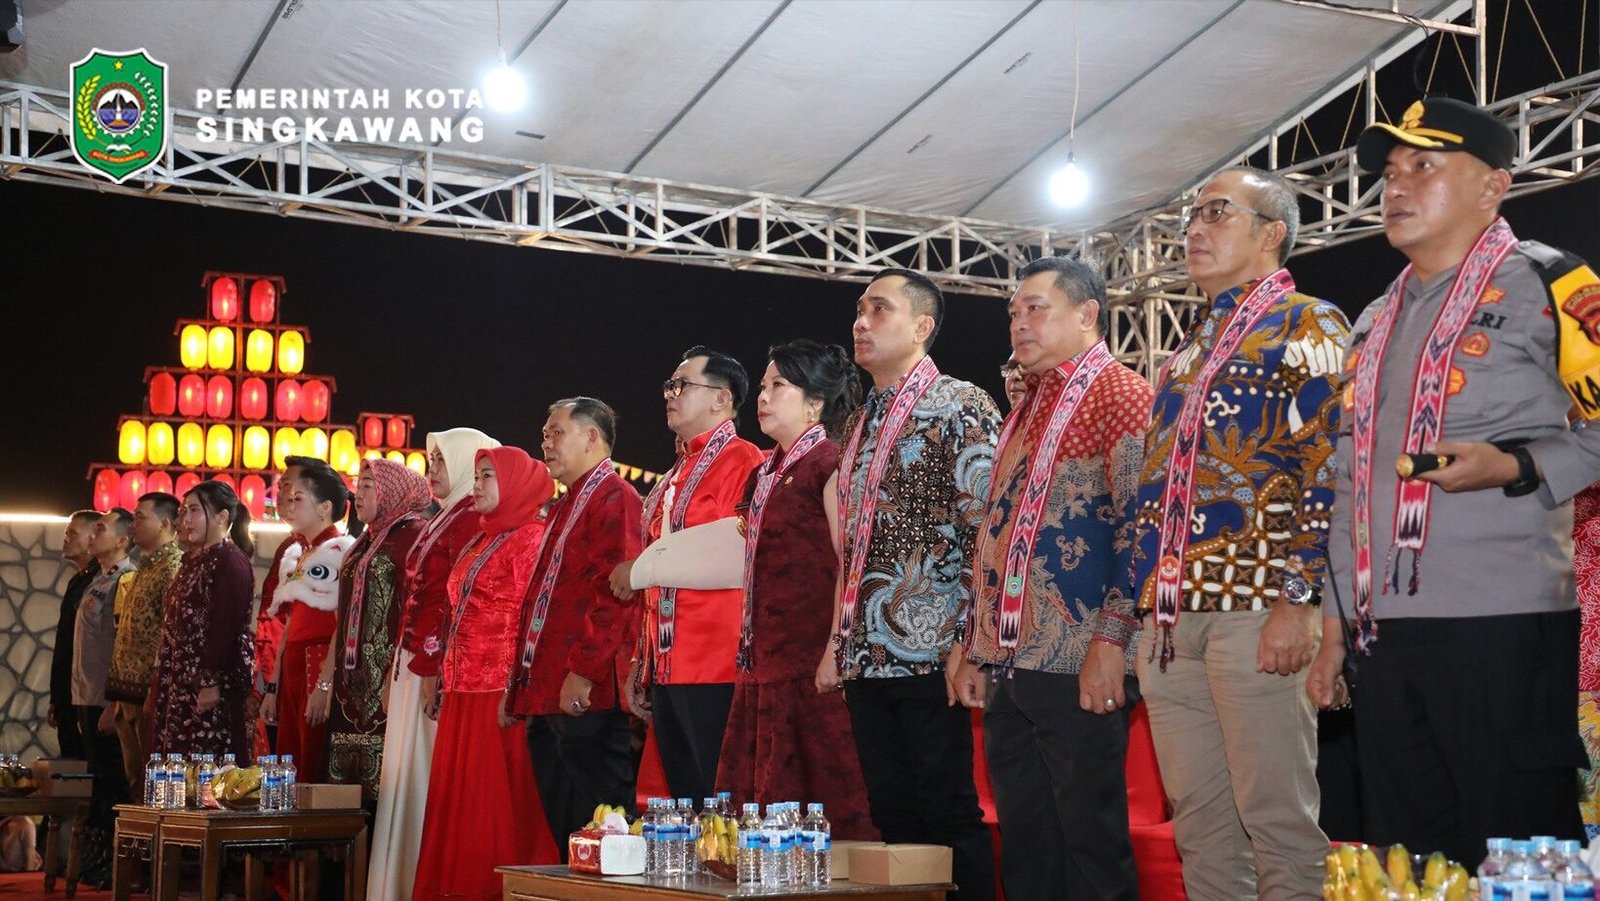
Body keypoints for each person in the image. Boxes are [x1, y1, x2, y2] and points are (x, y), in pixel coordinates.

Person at [1310, 97, 1600, 867]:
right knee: (1413, 856)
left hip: (1502, 621)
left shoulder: (1552, 284)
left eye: (1424, 166)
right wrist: (1335, 625)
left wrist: (1516, 465)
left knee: (1522, 849)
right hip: (1383, 634)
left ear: (1493, 186)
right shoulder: (1375, 318)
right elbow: (1350, 478)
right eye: (1391, 171)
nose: (1396, 186)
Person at [1128, 166, 1346, 899]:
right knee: (1201, 824)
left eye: (1218, 213)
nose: (1195, 228)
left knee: (1277, 818)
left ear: (1271, 233)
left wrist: (1298, 597)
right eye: (1192, 214)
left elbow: (1327, 462)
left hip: (1256, 607)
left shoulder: (1309, 323)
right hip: (1171, 619)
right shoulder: (1187, 351)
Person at [949, 257, 1154, 900]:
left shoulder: (1119, 392)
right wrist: (975, 643)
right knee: (1029, 840)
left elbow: (1138, 527)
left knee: (1090, 843)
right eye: (1013, 311)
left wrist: (1112, 642)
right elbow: (996, 531)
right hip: (1013, 657)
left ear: (1087, 313)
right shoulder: (1031, 403)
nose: (1019, 323)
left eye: (1036, 308)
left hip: (1078, 656)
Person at [825, 268, 1000, 901]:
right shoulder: (859, 423)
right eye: (858, 309)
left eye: (879, 310)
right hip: (867, 655)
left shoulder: (963, 404)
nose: (861, 322)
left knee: (949, 815)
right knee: (892, 819)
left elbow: (988, 529)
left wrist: (970, 639)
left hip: (934, 653)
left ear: (922, 327)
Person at [610, 346, 763, 804]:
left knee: (722, 797)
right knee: (683, 801)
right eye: (668, 387)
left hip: (718, 660)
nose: (670, 395)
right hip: (668, 663)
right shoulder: (673, 474)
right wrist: (644, 661)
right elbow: (656, 581)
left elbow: (740, 553)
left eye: (682, 386)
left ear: (721, 398)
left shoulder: (746, 461)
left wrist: (640, 569)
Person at [414, 447, 559, 900]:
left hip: (498, 690)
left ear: (515, 484)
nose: (475, 486)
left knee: (493, 805)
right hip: (461, 688)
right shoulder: (483, 537)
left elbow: (534, 618)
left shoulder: (533, 538)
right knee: (459, 803)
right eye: (476, 476)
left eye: (487, 477)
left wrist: (518, 685)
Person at [508, 397, 643, 848]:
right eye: (545, 433)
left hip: (585, 689)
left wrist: (583, 672)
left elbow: (615, 595)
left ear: (591, 437)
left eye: (556, 432)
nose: (545, 442)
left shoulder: (615, 496)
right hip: (548, 687)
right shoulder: (568, 504)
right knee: (568, 824)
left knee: (604, 819)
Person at [373, 427, 500, 901]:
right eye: (429, 461)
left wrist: (432, 667)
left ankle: (419, 882)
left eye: (441, 462)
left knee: (424, 774)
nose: (431, 472)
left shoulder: (470, 519)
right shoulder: (443, 517)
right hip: (415, 661)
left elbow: (451, 603)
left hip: (435, 665)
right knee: (404, 774)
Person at [318, 458, 429, 805]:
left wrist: (398, 679)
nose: (358, 493)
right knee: (343, 791)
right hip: (349, 684)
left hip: (388, 681)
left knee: (384, 788)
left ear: (392, 491)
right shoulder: (363, 542)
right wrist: (325, 680)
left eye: (369, 485)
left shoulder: (413, 536)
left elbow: (417, 610)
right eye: (358, 484)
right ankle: (348, 858)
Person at [259, 459, 356, 781]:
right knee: (290, 759)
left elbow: (342, 627)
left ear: (325, 507)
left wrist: (324, 684)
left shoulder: (340, 550)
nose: (288, 503)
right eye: (288, 496)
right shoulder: (298, 553)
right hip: (294, 665)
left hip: (317, 662)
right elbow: (288, 627)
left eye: (298, 498)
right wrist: (273, 685)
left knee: (311, 760)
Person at [151, 481, 256, 761]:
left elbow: (226, 626)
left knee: (206, 764)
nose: (186, 520)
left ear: (222, 517)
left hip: (208, 689)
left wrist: (210, 681)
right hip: (181, 682)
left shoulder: (230, 561)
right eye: (185, 511)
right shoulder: (193, 561)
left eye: (195, 511)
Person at [101, 492, 183, 795]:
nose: (132, 524)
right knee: (133, 778)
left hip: (148, 693)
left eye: (140, 517)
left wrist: (155, 687)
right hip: (125, 692)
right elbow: (127, 632)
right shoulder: (144, 567)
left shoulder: (173, 566)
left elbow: (168, 630)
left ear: (164, 523)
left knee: (149, 781)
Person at [74, 507, 136, 888]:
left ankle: (118, 864)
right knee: (98, 781)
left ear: (123, 540)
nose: (94, 535)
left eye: (102, 528)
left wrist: (114, 700)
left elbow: (122, 644)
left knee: (113, 782)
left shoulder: (124, 578)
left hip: (104, 699)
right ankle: (99, 861)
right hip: (85, 694)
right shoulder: (97, 578)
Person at [254, 458, 308, 756]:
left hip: (293, 675)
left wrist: (274, 685)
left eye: (291, 487)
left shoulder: (322, 551)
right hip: (273, 669)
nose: (283, 494)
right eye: (281, 485)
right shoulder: (289, 545)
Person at [49, 510, 99, 759]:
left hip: (89, 696)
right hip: (68, 694)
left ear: (93, 537)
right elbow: (65, 643)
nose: (66, 538)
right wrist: (57, 697)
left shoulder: (102, 581)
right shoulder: (76, 582)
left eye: (72, 533)